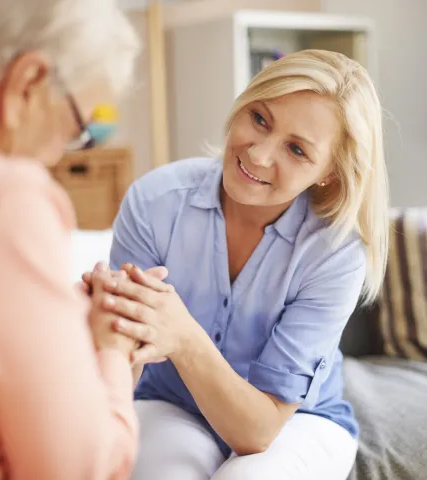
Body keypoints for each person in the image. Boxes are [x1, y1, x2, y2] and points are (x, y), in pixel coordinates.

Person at [85, 49, 390, 479]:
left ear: (330, 174)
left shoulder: (335, 252)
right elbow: (121, 365)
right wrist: (106, 327)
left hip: (296, 424)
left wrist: (183, 336)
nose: (259, 155)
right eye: (260, 119)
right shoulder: (154, 202)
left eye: (297, 149)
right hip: (173, 403)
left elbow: (259, 431)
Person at [0, 1, 157, 479]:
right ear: (28, 83)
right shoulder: (5, 201)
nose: (55, 157)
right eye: (75, 128)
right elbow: (81, 468)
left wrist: (56, 325)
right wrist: (113, 352)